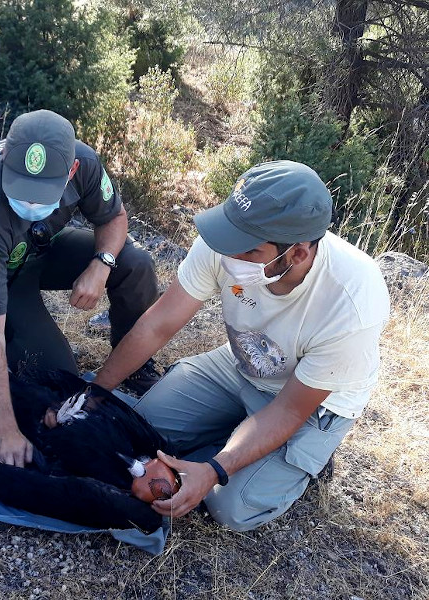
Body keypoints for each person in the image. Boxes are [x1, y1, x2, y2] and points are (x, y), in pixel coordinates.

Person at [90, 160, 390, 531]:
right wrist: (94, 392)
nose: (229, 256)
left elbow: (288, 411)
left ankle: (305, 454)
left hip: (313, 401)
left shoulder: (352, 300)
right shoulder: (228, 240)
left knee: (228, 506)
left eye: (249, 251)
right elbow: (158, 324)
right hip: (245, 362)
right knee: (144, 429)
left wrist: (215, 469)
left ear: (297, 253)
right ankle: (239, 435)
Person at [0, 109, 160, 467]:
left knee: (135, 264)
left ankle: (135, 365)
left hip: (43, 248)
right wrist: (6, 430)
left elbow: (113, 217)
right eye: (21, 190)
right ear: (4, 160)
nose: (30, 203)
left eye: (41, 193)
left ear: (72, 170)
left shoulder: (85, 162)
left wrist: (101, 264)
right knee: (60, 392)